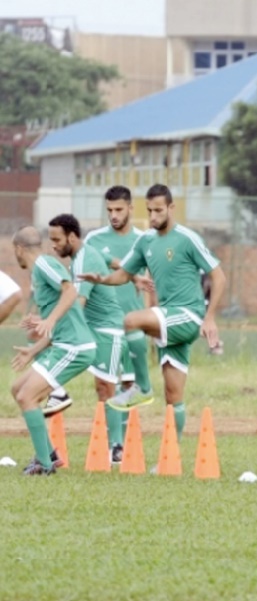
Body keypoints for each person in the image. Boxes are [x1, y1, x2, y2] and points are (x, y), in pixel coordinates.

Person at [80, 184, 226, 442]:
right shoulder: (145, 240)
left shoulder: (187, 238)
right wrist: (100, 278)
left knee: (132, 320)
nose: (153, 216)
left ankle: (142, 387)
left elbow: (219, 276)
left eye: (159, 210)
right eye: (150, 210)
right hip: (168, 320)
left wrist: (210, 316)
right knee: (173, 395)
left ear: (171, 208)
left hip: (188, 314)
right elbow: (124, 275)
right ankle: (172, 458)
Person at [11, 226, 97, 475]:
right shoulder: (39, 272)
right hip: (63, 343)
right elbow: (60, 322)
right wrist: (33, 349)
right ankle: (49, 454)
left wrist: (48, 321)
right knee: (18, 389)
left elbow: (70, 291)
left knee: (28, 397)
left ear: (19, 249)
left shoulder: (43, 265)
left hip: (75, 347)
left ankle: (44, 465)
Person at [47, 214, 130, 464]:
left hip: (108, 329)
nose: (53, 245)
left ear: (72, 237)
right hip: (91, 328)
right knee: (45, 344)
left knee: (106, 387)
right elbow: (111, 260)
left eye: (57, 239)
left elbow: (78, 303)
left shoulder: (83, 260)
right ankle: (57, 390)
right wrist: (134, 275)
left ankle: (116, 447)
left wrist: (56, 326)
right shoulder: (83, 254)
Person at [85, 185, 155, 409]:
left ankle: (126, 442)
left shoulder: (146, 240)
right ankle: (110, 441)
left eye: (119, 210)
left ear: (131, 208)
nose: (114, 215)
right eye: (110, 210)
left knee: (131, 388)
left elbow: (153, 285)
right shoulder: (93, 239)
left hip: (132, 326)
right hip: (104, 325)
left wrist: (152, 323)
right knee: (104, 386)